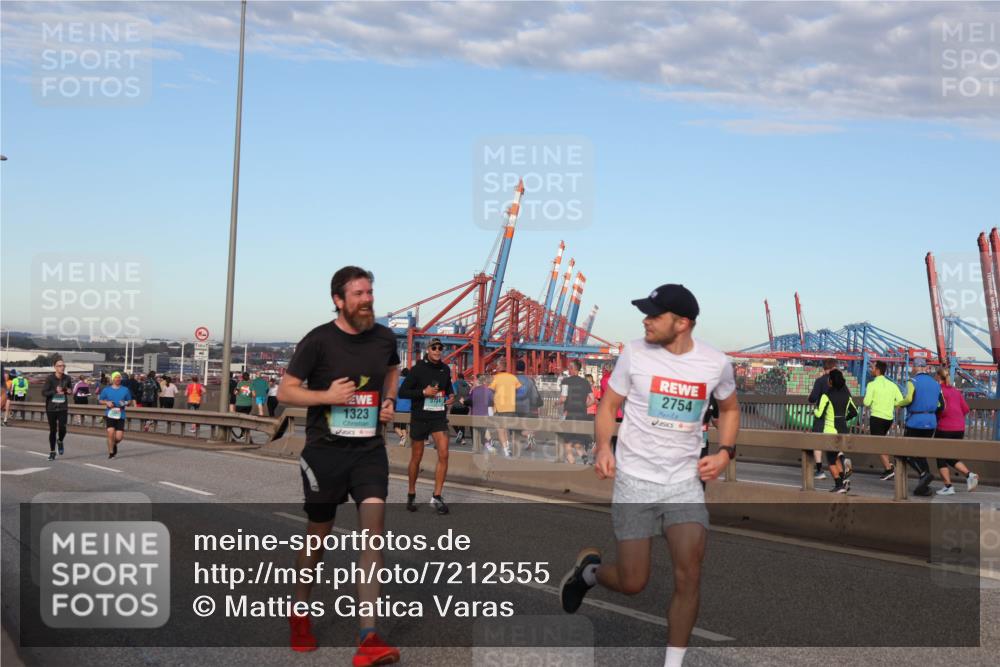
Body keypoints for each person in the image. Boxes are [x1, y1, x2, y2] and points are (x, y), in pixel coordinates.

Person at [560, 283, 738, 667]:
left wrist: (725, 452)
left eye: (654, 315)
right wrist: (605, 447)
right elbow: (609, 405)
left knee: (690, 574)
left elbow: (731, 409)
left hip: (684, 484)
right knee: (633, 582)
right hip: (635, 480)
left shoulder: (715, 363)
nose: (646, 320)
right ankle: (589, 573)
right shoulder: (634, 354)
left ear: (682, 323)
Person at [276, 265, 401, 665]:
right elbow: (286, 391)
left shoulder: (384, 338)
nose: (368, 300)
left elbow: (394, 368)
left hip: (368, 452)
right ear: (339, 300)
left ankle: (368, 636)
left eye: (370, 293)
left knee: (373, 538)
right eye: (360, 294)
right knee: (318, 541)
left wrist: (388, 401)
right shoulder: (318, 341)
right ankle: (300, 610)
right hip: (325, 454)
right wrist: (327, 395)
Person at [400, 338, 454, 514]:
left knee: (444, 453)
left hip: (438, 417)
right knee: (417, 456)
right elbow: (403, 392)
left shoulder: (445, 369)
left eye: (440, 348)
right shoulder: (417, 370)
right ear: (428, 350)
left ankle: (437, 497)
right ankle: (411, 493)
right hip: (420, 417)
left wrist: (451, 397)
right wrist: (423, 392)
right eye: (434, 348)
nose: (438, 350)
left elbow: (448, 389)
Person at [896, 359, 943, 496]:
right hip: (931, 421)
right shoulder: (936, 384)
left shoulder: (912, 382)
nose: (912, 368)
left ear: (916, 368)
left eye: (913, 366)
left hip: (915, 420)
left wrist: (898, 404)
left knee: (905, 451)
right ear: (926, 368)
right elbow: (940, 405)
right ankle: (923, 485)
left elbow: (909, 398)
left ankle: (924, 474)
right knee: (921, 452)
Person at [934, 369, 977, 495]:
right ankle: (970, 475)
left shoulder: (938, 390)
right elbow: (966, 409)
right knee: (950, 456)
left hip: (945, 427)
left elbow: (939, 409)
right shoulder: (956, 391)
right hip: (959, 428)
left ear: (938, 377)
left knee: (940, 457)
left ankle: (948, 487)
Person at [813, 369, 857, 493]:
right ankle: (843, 480)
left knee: (831, 461)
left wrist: (814, 411)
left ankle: (839, 484)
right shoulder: (847, 396)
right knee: (836, 457)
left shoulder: (826, 396)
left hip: (830, 431)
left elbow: (819, 413)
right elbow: (854, 412)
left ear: (830, 381)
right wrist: (844, 419)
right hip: (843, 429)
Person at [863, 360, 903, 480]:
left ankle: (889, 468)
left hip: (877, 417)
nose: (871, 369)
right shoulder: (892, 385)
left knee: (877, 445)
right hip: (888, 418)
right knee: (882, 443)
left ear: (877, 370)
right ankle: (888, 467)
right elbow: (900, 401)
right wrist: (891, 405)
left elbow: (866, 402)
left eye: (872, 367)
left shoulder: (872, 385)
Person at [807, 359, 837, 480]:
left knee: (817, 442)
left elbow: (812, 398)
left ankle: (820, 470)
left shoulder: (820, 381)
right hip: (835, 416)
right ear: (834, 367)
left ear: (824, 368)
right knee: (834, 443)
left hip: (821, 416)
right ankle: (839, 469)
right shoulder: (839, 381)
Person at [560, 360, 594, 464]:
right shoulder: (585, 382)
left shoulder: (565, 381)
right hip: (582, 415)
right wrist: (583, 406)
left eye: (569, 367)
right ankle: (585, 458)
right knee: (578, 442)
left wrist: (556, 403)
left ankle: (571, 463)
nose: (568, 369)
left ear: (573, 368)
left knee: (568, 443)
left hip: (570, 415)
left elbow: (563, 399)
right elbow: (592, 399)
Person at [42, 359, 74, 460]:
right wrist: (54, 391)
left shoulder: (67, 378)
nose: (62, 367)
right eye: (60, 366)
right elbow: (44, 393)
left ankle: (60, 441)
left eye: (63, 366)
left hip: (62, 407)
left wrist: (69, 391)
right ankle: (52, 452)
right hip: (51, 407)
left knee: (63, 428)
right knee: (53, 430)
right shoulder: (50, 379)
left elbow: (70, 390)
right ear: (55, 367)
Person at [489, 359, 521, 457]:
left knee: (500, 429)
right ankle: (507, 446)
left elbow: (490, 390)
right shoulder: (513, 377)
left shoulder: (495, 378)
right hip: (511, 407)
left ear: (498, 367)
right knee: (506, 428)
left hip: (499, 407)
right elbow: (519, 389)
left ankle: (506, 450)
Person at [98, 371, 133, 459]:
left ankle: (113, 443)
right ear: (112, 379)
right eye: (116, 377)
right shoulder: (107, 389)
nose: (118, 379)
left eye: (119, 377)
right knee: (110, 433)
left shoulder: (125, 389)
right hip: (110, 414)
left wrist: (124, 402)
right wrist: (107, 402)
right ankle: (111, 453)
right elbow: (100, 400)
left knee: (119, 437)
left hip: (120, 415)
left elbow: (129, 401)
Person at [514, 360, 543, 451]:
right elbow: (534, 395)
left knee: (515, 428)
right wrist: (533, 405)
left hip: (514, 407)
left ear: (515, 368)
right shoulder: (529, 381)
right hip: (527, 407)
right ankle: (529, 438)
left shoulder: (513, 379)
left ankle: (516, 447)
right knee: (526, 425)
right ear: (524, 368)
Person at [469, 374, 495, 452]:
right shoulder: (489, 390)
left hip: (477, 412)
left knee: (477, 429)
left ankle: (479, 446)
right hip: (487, 411)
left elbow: (470, 400)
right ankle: (488, 442)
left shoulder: (475, 390)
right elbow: (491, 401)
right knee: (484, 428)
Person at [450, 370, 471, 444]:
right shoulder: (468, 385)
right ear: (463, 378)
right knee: (462, 422)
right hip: (465, 407)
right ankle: (463, 440)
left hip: (456, 406)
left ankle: (458, 432)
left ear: (458, 378)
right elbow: (469, 395)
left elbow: (453, 394)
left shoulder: (455, 384)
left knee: (451, 420)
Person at [394, 369, 411, 447]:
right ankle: (404, 440)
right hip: (408, 408)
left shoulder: (398, 382)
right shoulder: (410, 383)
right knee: (404, 426)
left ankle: (402, 437)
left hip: (398, 407)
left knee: (396, 427)